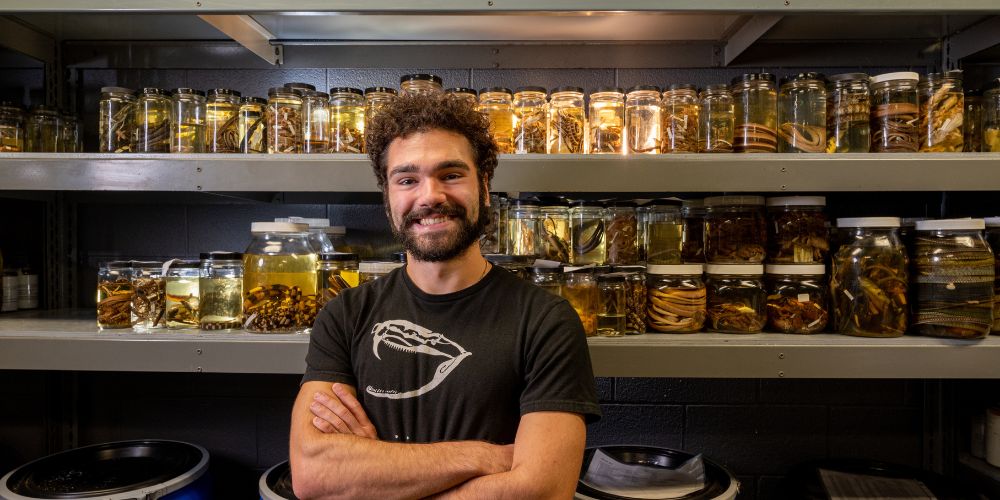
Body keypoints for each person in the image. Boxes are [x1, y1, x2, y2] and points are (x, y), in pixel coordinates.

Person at [289, 92, 600, 499]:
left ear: (484, 188)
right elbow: (314, 475)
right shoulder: (344, 316)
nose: (430, 196)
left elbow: (541, 491)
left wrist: (376, 475)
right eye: (407, 180)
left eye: (451, 175)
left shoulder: (546, 321)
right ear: (388, 198)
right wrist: (481, 456)